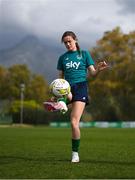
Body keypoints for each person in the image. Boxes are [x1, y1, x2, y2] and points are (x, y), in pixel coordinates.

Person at [44, 31, 108, 163]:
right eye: (65, 42)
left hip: (81, 87)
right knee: (66, 91)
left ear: (75, 40)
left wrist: (99, 69)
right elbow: (60, 80)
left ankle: (75, 154)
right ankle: (60, 102)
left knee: (74, 123)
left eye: (69, 41)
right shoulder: (62, 58)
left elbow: (93, 73)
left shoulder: (84, 54)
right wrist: (55, 93)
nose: (68, 44)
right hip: (67, 87)